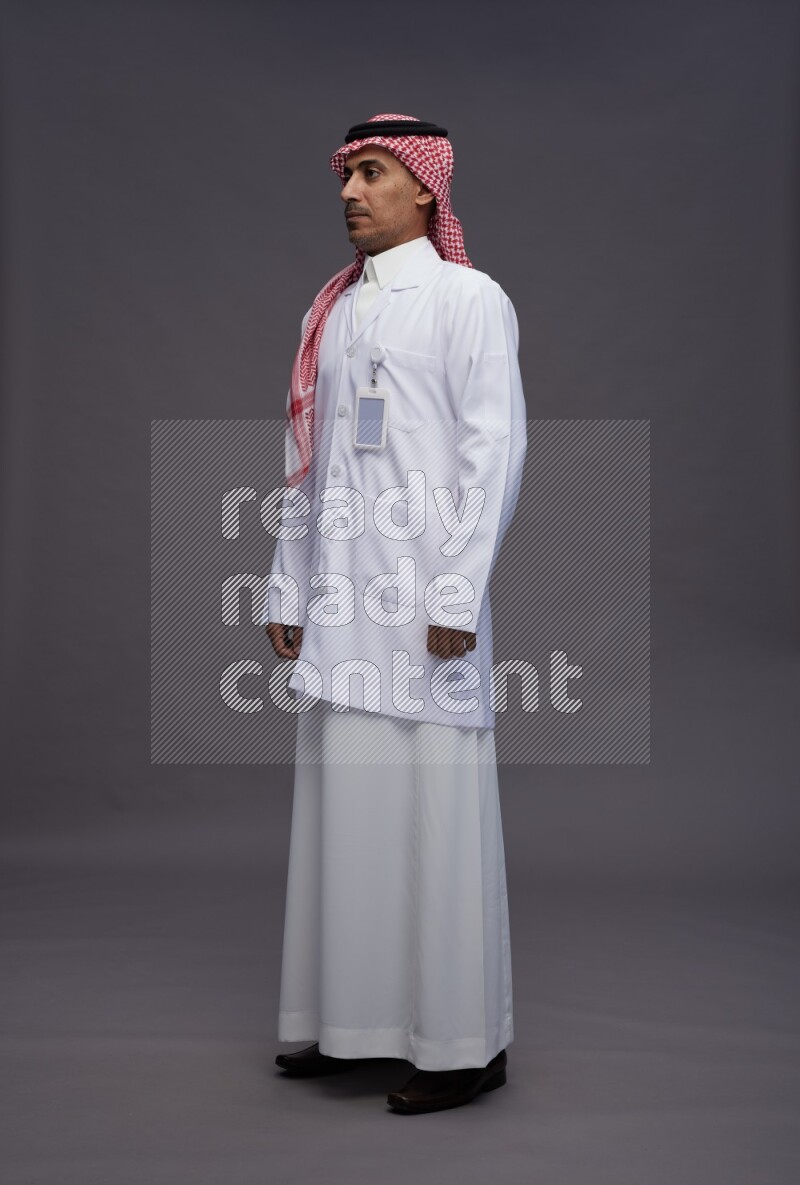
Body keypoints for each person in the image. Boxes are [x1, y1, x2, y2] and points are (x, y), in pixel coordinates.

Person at [261, 114, 527, 1114]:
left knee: (433, 814)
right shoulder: (327, 312)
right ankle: (347, 1024)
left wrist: (456, 593)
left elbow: (491, 454)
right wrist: (287, 586)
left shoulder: (467, 299)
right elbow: (307, 465)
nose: (349, 193)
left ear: (424, 190)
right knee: (346, 815)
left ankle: (462, 1045)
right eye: (344, 176)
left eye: (370, 174)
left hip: (423, 610)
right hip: (340, 604)